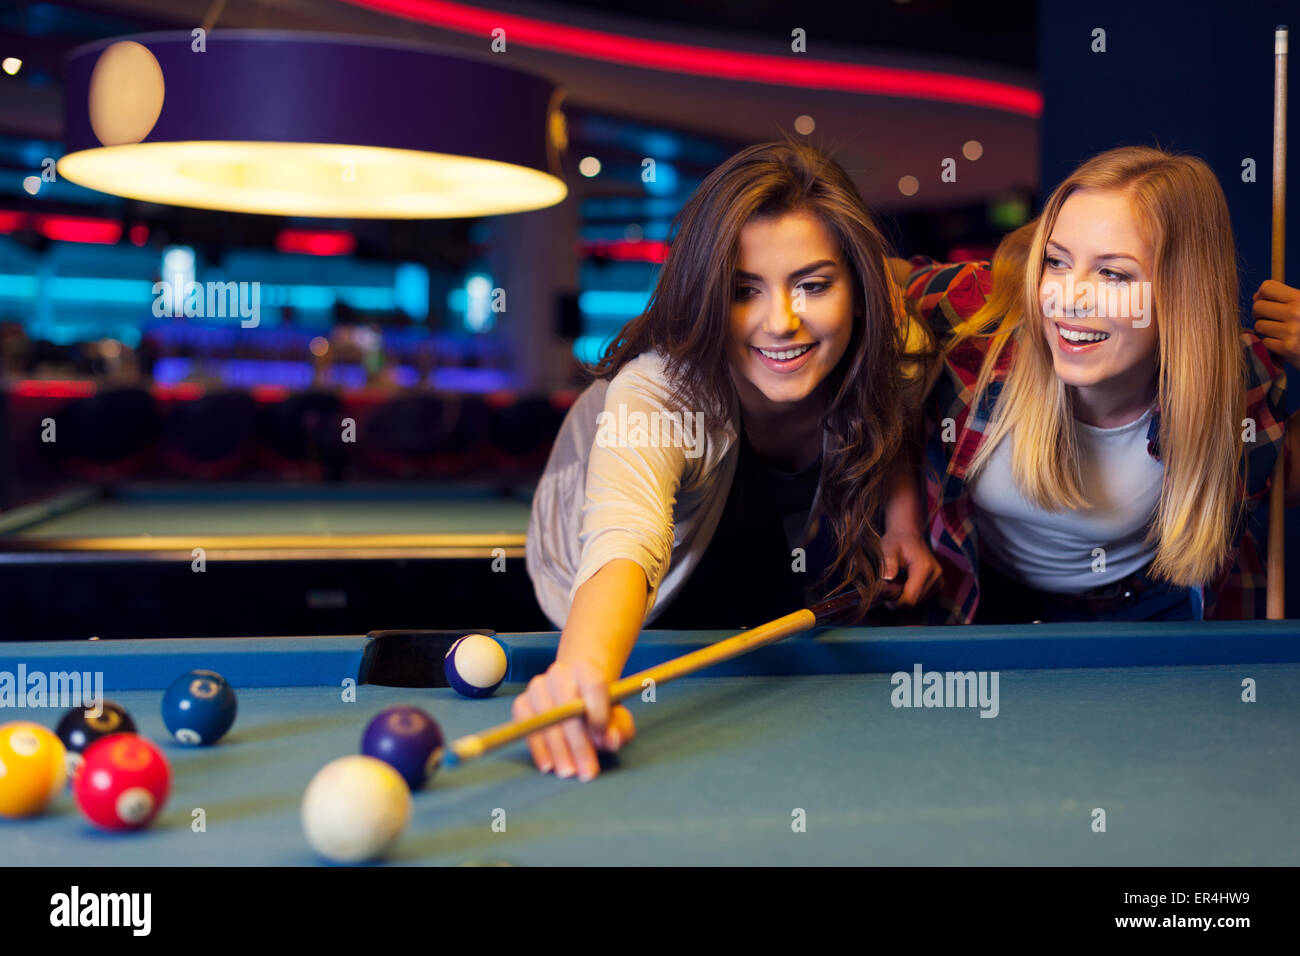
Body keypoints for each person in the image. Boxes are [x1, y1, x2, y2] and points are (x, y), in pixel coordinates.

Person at [522, 141, 941, 780]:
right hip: (586, 556)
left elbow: (896, 413)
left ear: (858, 289)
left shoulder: (893, 343)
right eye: (744, 290)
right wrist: (579, 675)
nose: (782, 322)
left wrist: (905, 523)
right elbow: (624, 541)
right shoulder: (659, 392)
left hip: (749, 523)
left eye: (812, 284)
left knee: (769, 599)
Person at [896, 146, 1298, 625]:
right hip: (984, 601)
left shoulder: (1239, 383)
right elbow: (859, 282)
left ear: (1182, 291)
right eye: (1057, 262)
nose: (1069, 298)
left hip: (1153, 613)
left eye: (1113, 273)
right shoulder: (980, 314)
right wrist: (898, 521)